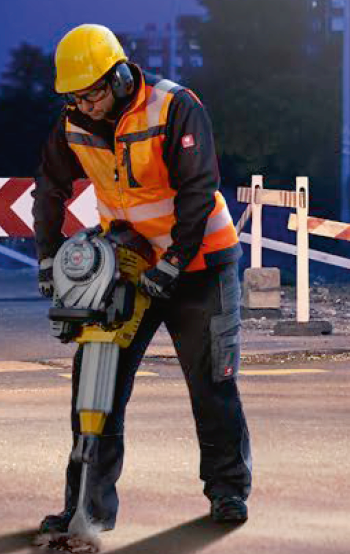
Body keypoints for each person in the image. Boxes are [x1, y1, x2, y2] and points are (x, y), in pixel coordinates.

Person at [32, 24, 252, 533]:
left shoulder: (174, 107)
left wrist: (174, 261)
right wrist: (48, 260)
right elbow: (49, 187)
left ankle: (227, 494)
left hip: (202, 266)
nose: (84, 105)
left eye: (92, 94)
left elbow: (199, 188)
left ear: (120, 76)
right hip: (127, 266)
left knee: (212, 386)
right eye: (75, 97)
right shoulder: (73, 123)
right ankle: (86, 509)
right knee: (97, 387)